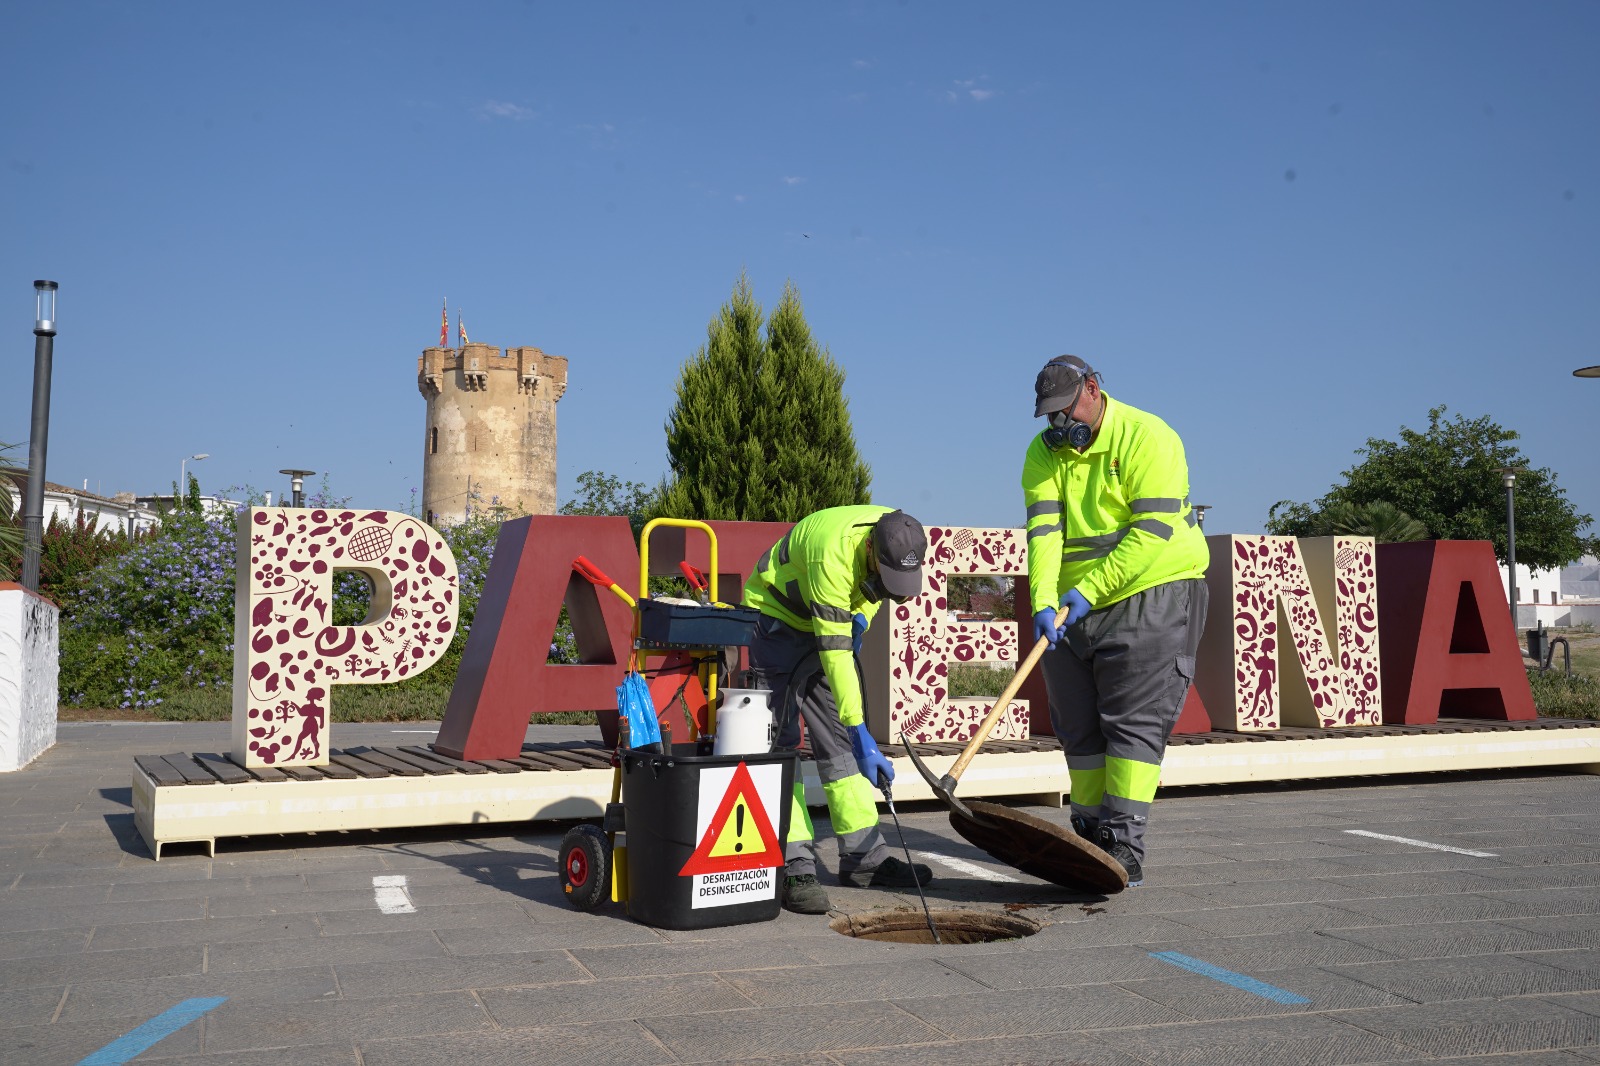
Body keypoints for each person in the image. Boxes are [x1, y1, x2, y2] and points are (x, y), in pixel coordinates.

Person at [1022, 354, 1209, 887]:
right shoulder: (1042, 454)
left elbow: (1151, 534)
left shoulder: (1150, 437)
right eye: (1050, 417)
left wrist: (1090, 590)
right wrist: (1042, 599)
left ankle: (1123, 844)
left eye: (1066, 411)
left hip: (1153, 590)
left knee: (1132, 722)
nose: (1061, 426)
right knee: (1077, 724)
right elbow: (1043, 535)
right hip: (1072, 605)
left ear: (1094, 389)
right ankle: (1087, 835)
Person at [743, 505, 935, 914]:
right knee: (782, 744)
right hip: (778, 617)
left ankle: (864, 857)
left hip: (827, 618)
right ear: (870, 549)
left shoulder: (894, 532)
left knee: (837, 745)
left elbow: (873, 592)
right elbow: (834, 652)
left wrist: (861, 619)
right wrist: (861, 729)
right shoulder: (828, 551)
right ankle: (792, 862)